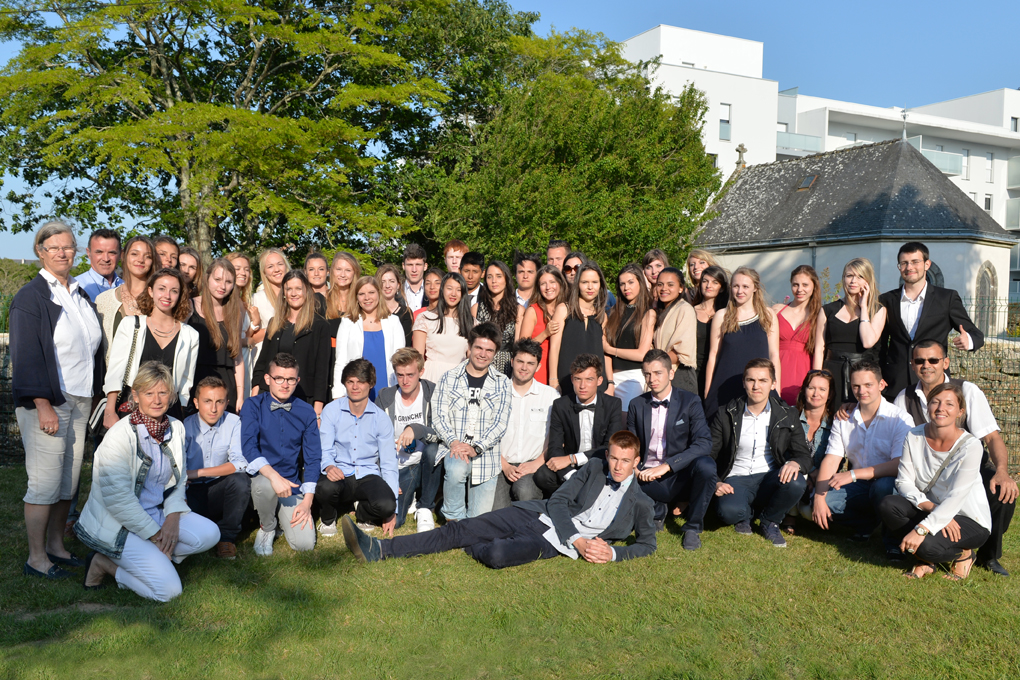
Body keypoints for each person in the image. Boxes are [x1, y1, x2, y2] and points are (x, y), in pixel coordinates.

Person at [342, 431, 657, 568]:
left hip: (553, 543)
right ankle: (380, 549)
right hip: (539, 516)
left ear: (636, 462)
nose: (617, 466)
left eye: (624, 461)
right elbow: (559, 502)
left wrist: (612, 554)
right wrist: (578, 540)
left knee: (496, 555)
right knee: (460, 528)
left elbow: (647, 545)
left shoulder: (640, 503)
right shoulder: (595, 468)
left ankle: (470, 541)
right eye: (613, 458)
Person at [77, 362, 219, 600]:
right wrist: (156, 536)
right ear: (135, 395)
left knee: (210, 533)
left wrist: (172, 519)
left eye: (163, 392)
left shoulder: (176, 427)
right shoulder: (119, 436)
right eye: (149, 393)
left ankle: (156, 560)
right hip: (119, 524)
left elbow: (179, 479)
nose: (157, 400)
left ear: (171, 395)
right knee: (169, 592)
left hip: (156, 512)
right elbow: (119, 502)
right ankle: (104, 564)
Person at [12, 221, 104, 580]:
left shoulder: (79, 294)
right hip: (49, 401)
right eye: (54, 247)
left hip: (80, 400)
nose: (63, 253)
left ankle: (56, 546)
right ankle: (36, 558)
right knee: (45, 483)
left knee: (68, 481)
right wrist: (42, 403)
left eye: (68, 247)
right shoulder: (31, 297)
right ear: (41, 251)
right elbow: (27, 355)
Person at [892, 340, 1016, 577]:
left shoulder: (967, 391)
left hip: (968, 467)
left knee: (1002, 491)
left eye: (933, 360)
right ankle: (926, 544)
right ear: (912, 364)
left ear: (945, 363)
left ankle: (988, 555)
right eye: (920, 360)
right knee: (892, 499)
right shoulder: (904, 398)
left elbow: (991, 437)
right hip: (927, 474)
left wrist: (1002, 471)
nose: (926, 365)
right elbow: (902, 442)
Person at [880, 383, 991, 581]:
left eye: (949, 404)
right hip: (933, 507)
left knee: (926, 545)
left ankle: (964, 555)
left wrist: (922, 529)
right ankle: (926, 560)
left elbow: (957, 497)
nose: (941, 408)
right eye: (935, 402)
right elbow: (903, 481)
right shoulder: (913, 435)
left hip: (967, 517)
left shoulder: (971, 446)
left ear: (960, 412)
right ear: (928, 406)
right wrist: (931, 508)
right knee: (889, 505)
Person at [811, 360, 913, 558]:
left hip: (890, 482)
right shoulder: (844, 417)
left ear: (881, 385)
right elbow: (832, 459)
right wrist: (818, 497)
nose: (861, 391)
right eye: (856, 386)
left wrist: (853, 474)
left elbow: (898, 465)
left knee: (883, 487)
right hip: (859, 485)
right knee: (823, 503)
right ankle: (867, 524)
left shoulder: (900, 419)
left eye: (868, 385)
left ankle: (893, 542)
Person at [710, 359, 811, 548]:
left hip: (769, 478)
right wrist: (715, 481)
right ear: (744, 383)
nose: (756, 386)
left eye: (763, 380)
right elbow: (709, 454)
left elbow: (804, 455)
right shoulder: (726, 413)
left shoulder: (787, 414)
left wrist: (795, 463)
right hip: (736, 479)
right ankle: (745, 514)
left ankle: (770, 521)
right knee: (728, 513)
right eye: (751, 380)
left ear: (773, 384)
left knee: (796, 482)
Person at [628, 350, 714, 548]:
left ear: (671, 373)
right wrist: (635, 468)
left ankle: (693, 527)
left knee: (706, 466)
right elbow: (632, 445)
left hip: (678, 474)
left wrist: (667, 466)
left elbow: (704, 443)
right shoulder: (636, 404)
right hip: (646, 476)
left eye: (658, 373)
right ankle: (657, 509)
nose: (652, 379)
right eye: (647, 374)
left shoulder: (690, 401)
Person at [878, 241, 983, 400]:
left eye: (915, 262)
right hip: (894, 384)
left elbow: (976, 334)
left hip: (934, 383)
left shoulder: (947, 298)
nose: (909, 267)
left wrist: (969, 340)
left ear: (927, 264)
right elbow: (879, 346)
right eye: (904, 263)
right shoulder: (886, 300)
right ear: (899, 267)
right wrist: (877, 375)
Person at [241, 353, 321, 556]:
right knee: (265, 485)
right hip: (261, 480)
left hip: (291, 485)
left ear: (297, 380)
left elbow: (313, 457)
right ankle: (267, 527)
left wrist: (307, 501)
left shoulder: (306, 411)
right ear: (268, 379)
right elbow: (249, 446)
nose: (285, 384)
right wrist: (274, 477)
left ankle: (280, 514)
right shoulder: (253, 405)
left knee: (305, 544)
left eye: (290, 379)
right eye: (279, 378)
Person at [432, 323, 512, 520]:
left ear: (495, 353)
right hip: (455, 449)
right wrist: (454, 442)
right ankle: (453, 519)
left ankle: (460, 519)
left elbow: (500, 423)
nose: (483, 354)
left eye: (489, 350)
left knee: (479, 523)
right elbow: (439, 416)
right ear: (469, 347)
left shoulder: (502, 382)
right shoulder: (449, 378)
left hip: (486, 457)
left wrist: (476, 447)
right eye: (479, 348)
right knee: (456, 469)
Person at [103, 268, 198, 425]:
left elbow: (186, 383)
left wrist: (180, 415)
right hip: (131, 407)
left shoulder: (190, 335)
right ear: (150, 291)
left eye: (174, 291)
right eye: (162, 289)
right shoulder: (130, 325)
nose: (167, 295)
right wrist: (110, 410)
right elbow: (116, 371)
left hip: (169, 411)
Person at [316, 359, 398, 536]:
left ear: (371, 384)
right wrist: (329, 466)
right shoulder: (331, 410)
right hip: (340, 471)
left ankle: (363, 512)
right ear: (344, 383)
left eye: (361, 382)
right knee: (325, 487)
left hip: (367, 473)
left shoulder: (381, 418)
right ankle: (328, 520)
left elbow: (389, 463)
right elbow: (325, 449)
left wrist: (393, 509)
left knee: (387, 505)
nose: (355, 387)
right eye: (350, 381)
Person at [374, 348, 443, 532]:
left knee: (433, 450)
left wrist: (416, 429)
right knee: (395, 520)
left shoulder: (432, 393)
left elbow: (442, 433)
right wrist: (385, 475)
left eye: (410, 375)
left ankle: (425, 507)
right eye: (400, 375)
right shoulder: (385, 397)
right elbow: (374, 438)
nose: (405, 381)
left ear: (421, 372)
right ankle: (408, 495)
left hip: (423, 463)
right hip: (395, 467)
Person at [534, 354, 623, 496]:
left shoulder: (613, 404)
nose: (582, 386)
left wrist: (573, 458)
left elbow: (610, 447)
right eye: (578, 379)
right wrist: (572, 476)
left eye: (589, 379)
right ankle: (569, 498)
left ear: (599, 380)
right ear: (572, 380)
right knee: (542, 475)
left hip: (598, 462)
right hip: (570, 467)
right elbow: (555, 446)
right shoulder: (560, 405)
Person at [183, 376, 250, 560]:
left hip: (217, 489)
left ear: (227, 403)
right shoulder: (185, 426)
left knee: (240, 481)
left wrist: (197, 473)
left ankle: (226, 538)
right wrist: (185, 478)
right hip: (191, 491)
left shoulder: (234, 422)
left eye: (219, 402)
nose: (213, 409)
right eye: (207, 401)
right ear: (196, 402)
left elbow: (240, 463)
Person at [703, 267, 780, 420]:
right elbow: (713, 356)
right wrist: (707, 392)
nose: (740, 291)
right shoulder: (722, 316)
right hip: (725, 388)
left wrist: (776, 389)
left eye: (745, 286)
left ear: (755, 288)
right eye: (736, 286)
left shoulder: (768, 315)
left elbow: (774, 355)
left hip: (759, 388)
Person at [252, 270, 331, 413]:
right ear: (284, 293)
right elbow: (263, 361)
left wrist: (318, 410)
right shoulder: (274, 323)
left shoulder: (320, 326)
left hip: (302, 399)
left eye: (298, 288)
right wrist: (255, 393)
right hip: (270, 397)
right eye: (289, 289)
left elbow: (322, 371)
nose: (293, 293)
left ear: (307, 291)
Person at [493, 340, 558, 509]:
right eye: (520, 361)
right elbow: (486, 434)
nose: (524, 368)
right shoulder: (496, 393)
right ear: (512, 361)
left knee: (525, 492)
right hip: (500, 463)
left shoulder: (550, 396)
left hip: (533, 464)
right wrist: (504, 465)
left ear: (538, 366)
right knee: (496, 512)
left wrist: (536, 464)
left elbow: (557, 437)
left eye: (530, 363)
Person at [818, 258, 886, 408]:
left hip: (861, 374)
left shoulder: (878, 310)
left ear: (868, 280)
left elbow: (868, 342)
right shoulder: (828, 310)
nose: (853, 281)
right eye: (849, 276)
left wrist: (864, 307)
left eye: (860, 276)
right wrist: (817, 377)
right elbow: (819, 348)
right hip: (831, 371)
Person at [333, 276, 405, 401]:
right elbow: (341, 361)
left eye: (371, 292)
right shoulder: (347, 322)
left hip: (387, 388)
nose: (367, 298)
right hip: (356, 390)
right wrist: (338, 394)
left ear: (379, 294)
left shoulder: (393, 322)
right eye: (361, 294)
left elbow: (400, 361)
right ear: (356, 297)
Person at [191, 259, 248, 414]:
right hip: (197, 382)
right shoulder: (190, 307)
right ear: (207, 278)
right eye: (217, 279)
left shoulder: (235, 313)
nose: (223, 286)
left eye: (228, 282)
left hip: (227, 386)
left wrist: (241, 396)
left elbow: (238, 358)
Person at [782, 369, 836, 534]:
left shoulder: (836, 422)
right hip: (794, 472)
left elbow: (838, 458)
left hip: (823, 477)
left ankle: (801, 507)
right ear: (804, 390)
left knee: (809, 512)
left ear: (830, 394)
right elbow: (782, 451)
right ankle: (790, 514)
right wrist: (808, 473)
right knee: (794, 477)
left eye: (822, 389)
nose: (816, 393)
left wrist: (818, 477)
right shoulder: (790, 414)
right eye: (811, 388)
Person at [553, 262, 614, 398]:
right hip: (567, 380)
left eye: (595, 282)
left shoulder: (602, 316)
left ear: (601, 285)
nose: (590, 287)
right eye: (585, 282)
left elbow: (606, 352)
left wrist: (610, 383)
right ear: (577, 284)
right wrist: (553, 380)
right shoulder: (564, 309)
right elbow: (555, 347)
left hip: (597, 384)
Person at [604, 263, 656, 411]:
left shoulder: (648, 313)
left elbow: (642, 354)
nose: (626, 288)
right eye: (622, 284)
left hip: (633, 378)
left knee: (625, 420)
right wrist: (609, 381)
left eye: (631, 282)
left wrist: (611, 349)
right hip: (610, 377)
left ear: (640, 282)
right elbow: (604, 350)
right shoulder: (612, 313)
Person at [95, 235, 157, 359]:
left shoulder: (160, 298)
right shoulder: (104, 300)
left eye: (148, 256)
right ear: (123, 256)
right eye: (134, 254)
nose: (141, 260)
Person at [412, 272, 474, 383]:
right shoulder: (425, 318)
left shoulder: (471, 323)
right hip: (431, 376)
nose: (453, 294)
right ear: (442, 290)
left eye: (458, 290)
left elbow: (472, 356)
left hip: (459, 378)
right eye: (449, 288)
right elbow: (417, 356)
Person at [774, 265, 822, 405]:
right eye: (795, 284)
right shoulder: (776, 310)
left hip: (804, 372)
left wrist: (815, 383)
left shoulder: (819, 315)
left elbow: (819, 350)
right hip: (777, 369)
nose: (800, 289)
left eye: (805, 285)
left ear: (814, 286)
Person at [651, 267, 698, 395]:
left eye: (670, 285)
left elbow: (681, 352)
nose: (664, 288)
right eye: (660, 284)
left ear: (681, 288)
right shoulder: (659, 312)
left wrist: (654, 362)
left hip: (679, 374)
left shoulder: (685, 309)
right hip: (660, 373)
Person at [519, 265, 568, 386]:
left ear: (560, 283)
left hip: (564, 370)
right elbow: (522, 346)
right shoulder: (533, 311)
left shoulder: (568, 308)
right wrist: (545, 333)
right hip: (540, 371)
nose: (548, 287)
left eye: (552, 282)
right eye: (543, 284)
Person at [475, 260, 522, 376]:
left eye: (498, 276)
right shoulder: (476, 308)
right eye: (489, 277)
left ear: (506, 278)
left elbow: (517, 346)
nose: (494, 281)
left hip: (506, 367)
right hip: (481, 365)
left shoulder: (518, 310)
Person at [225, 251, 262, 396]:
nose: (243, 273)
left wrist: (255, 323)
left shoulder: (242, 301)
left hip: (245, 360)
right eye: (237, 268)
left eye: (246, 269)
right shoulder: (225, 301)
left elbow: (242, 333)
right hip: (232, 362)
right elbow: (226, 338)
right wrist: (249, 341)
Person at [692, 265, 728, 398]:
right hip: (694, 373)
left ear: (722, 287)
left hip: (719, 371)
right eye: (705, 281)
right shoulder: (690, 311)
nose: (708, 285)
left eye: (715, 282)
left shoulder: (727, 314)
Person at [249, 248, 290, 366]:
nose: (276, 269)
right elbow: (250, 338)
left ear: (286, 266)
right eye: (270, 266)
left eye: (280, 264)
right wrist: (278, 328)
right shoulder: (257, 299)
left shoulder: (298, 295)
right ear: (264, 272)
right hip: (266, 360)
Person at [77, 229, 123, 302]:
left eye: (112, 253)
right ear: (88, 253)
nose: (106, 259)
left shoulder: (128, 288)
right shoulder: (77, 287)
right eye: (99, 252)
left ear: (120, 254)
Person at [377, 263, 414, 346]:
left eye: (392, 281)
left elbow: (406, 345)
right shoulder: (372, 311)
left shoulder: (405, 312)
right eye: (383, 282)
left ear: (398, 285)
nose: (387, 286)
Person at [402, 243, 428, 312]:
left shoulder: (435, 291)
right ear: (403, 266)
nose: (414, 270)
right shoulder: (395, 293)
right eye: (410, 265)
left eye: (418, 265)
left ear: (425, 266)